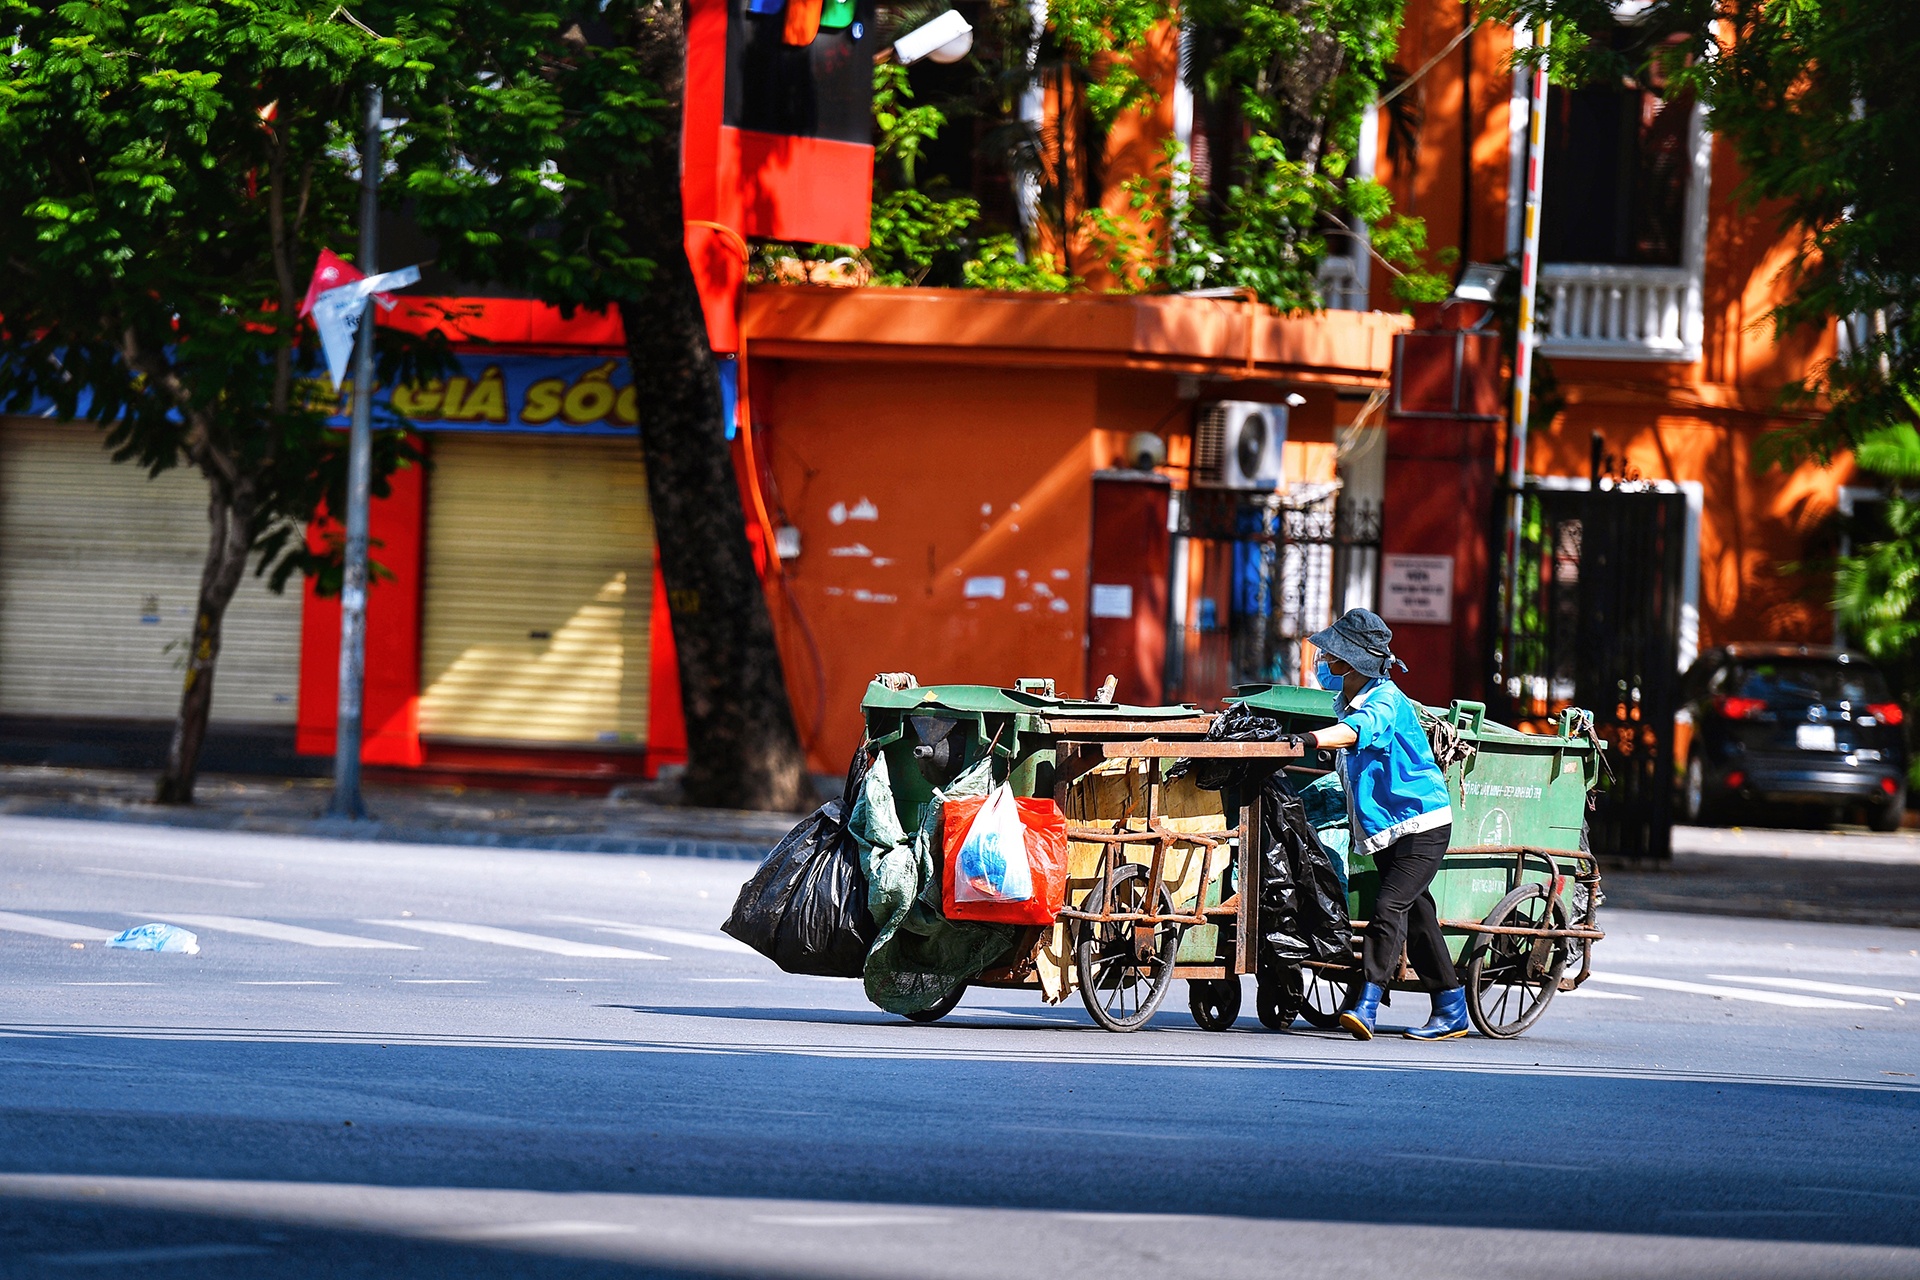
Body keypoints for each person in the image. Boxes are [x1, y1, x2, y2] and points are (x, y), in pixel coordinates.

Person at [1295, 608, 1468, 1041]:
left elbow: (1358, 732)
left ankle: (1367, 1003)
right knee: (1420, 916)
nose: (1324, 661)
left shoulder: (1385, 701)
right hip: (1391, 828)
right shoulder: (1349, 698)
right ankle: (1451, 1006)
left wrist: (1310, 739)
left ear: (1349, 663)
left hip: (1420, 826)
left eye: (1331, 654)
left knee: (1388, 907)